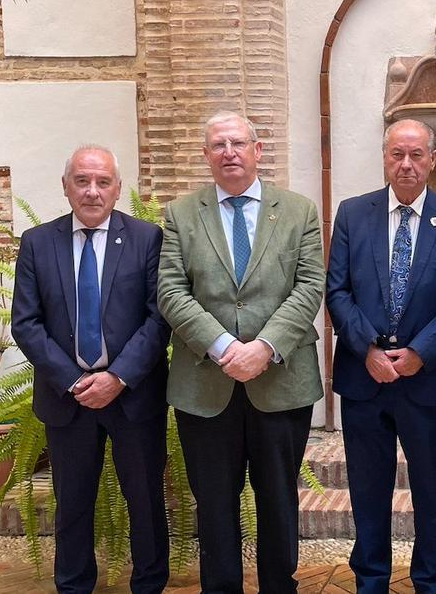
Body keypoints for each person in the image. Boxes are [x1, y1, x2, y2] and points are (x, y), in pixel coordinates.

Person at [157, 111, 324, 594]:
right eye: (218, 145)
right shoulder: (181, 214)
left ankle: (279, 586)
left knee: (278, 500)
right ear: (206, 155)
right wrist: (225, 346)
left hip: (281, 382)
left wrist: (265, 348)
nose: (229, 152)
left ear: (257, 150)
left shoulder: (298, 211)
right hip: (205, 384)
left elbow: (310, 286)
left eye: (238, 143)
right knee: (213, 504)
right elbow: (170, 291)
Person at [11, 146, 172, 594]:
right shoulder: (38, 242)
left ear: (118, 189)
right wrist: (74, 380)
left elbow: (159, 318)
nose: (92, 191)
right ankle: (74, 585)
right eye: (82, 181)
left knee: (145, 502)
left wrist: (117, 377)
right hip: (68, 398)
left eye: (103, 182)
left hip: (133, 396)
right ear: (66, 187)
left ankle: (150, 584)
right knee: (73, 504)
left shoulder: (147, 239)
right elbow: (26, 323)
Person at [325, 119, 436, 593]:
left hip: (427, 380)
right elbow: (337, 290)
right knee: (368, 489)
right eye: (397, 154)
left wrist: (420, 353)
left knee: (430, 489)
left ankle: (429, 579)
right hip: (364, 378)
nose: (406, 164)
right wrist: (367, 349)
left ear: (432, 159)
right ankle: (371, 579)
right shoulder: (353, 213)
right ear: (385, 157)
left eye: (415, 155)